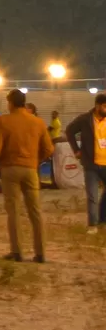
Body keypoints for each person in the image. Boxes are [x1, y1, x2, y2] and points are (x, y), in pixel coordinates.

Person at [0, 88, 54, 262]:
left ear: (10, 103)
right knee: (35, 211)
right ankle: (40, 254)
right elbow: (49, 149)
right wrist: (35, 160)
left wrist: (1, 161)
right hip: (31, 169)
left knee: (14, 211)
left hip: (10, 169)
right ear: (24, 103)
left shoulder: (4, 121)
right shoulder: (38, 122)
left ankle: (17, 252)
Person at [65, 91, 106, 233]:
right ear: (97, 106)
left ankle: (103, 219)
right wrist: (76, 150)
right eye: (105, 106)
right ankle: (93, 225)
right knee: (92, 195)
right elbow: (69, 131)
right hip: (91, 164)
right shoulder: (85, 119)